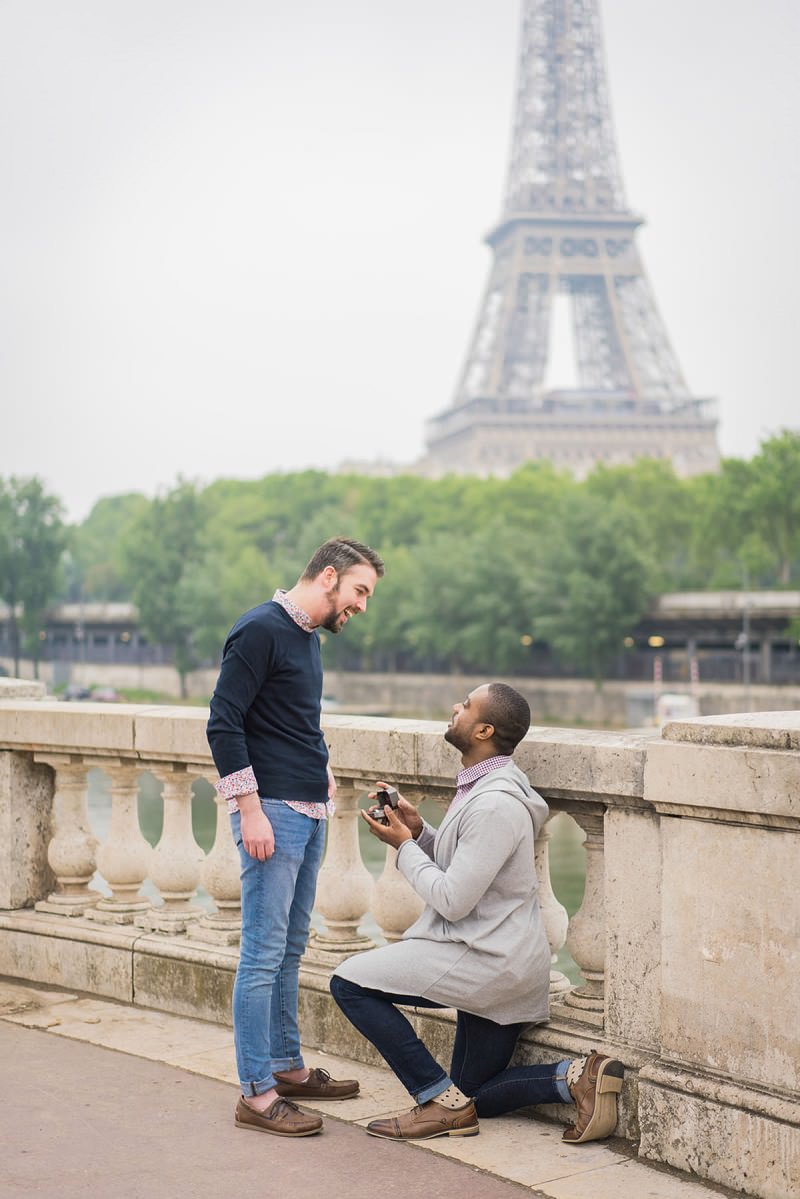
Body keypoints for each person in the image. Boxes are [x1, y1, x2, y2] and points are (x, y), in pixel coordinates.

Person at [330, 682, 624, 1143]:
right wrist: (420, 831)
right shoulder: (484, 786)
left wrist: (403, 848)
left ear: (484, 729)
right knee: (469, 1094)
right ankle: (574, 1078)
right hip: (496, 956)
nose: (455, 708)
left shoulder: (493, 804)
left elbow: (451, 899)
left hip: (485, 961)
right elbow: (468, 869)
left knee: (348, 983)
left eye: (465, 706)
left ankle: (434, 1102)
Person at [207, 536, 384, 1138]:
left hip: (308, 807)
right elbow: (223, 722)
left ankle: (285, 1066)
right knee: (260, 953)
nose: (361, 606)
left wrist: (324, 766)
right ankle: (255, 1093)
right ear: (329, 577)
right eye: (359, 591)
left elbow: (295, 718)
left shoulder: (306, 637)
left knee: (288, 948)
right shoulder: (258, 629)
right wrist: (249, 809)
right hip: (273, 810)